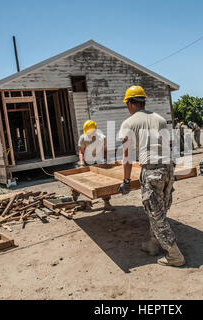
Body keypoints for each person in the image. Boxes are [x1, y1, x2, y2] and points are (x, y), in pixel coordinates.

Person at [117, 85, 185, 267]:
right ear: (143, 101)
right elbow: (169, 145)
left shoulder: (129, 123)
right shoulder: (160, 119)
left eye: (127, 104)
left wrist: (125, 181)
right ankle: (154, 244)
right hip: (168, 167)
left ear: (130, 103)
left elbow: (127, 156)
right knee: (160, 209)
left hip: (152, 170)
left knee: (156, 214)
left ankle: (174, 255)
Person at [76, 120, 113, 211]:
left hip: (99, 162)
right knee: (80, 182)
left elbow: (105, 151)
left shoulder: (102, 138)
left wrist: (107, 161)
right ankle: (75, 199)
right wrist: (81, 162)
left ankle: (107, 203)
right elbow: (81, 152)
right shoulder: (83, 138)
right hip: (87, 162)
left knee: (104, 183)